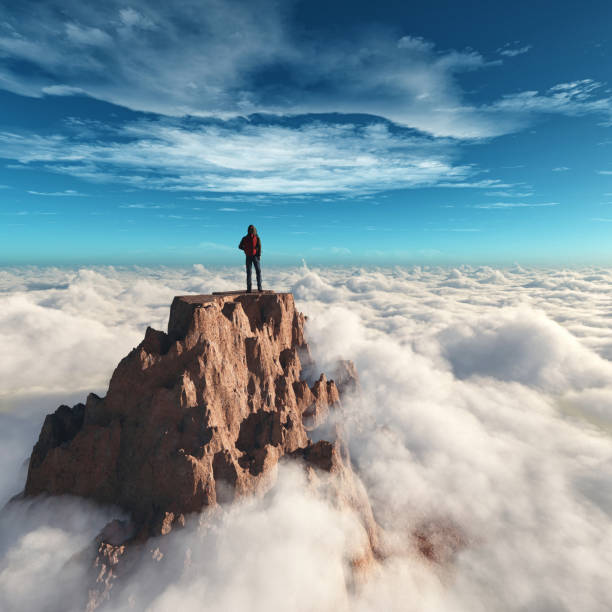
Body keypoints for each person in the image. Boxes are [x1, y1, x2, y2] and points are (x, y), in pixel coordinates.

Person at [238, 225, 262, 292]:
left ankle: (249, 289)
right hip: (255, 257)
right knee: (258, 272)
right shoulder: (257, 238)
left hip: (248, 256)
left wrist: (245, 249)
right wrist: (259, 255)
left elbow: (240, 246)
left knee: (249, 273)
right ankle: (259, 288)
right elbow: (259, 247)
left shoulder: (244, 238)